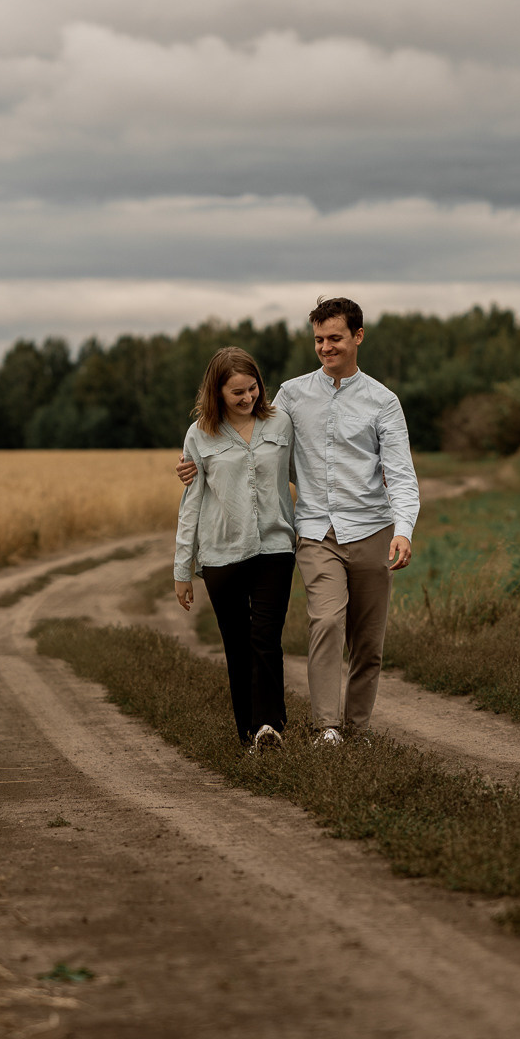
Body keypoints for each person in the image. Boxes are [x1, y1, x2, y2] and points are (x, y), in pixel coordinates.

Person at [179, 297, 418, 746]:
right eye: (319, 340)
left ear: (358, 336)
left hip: (372, 530)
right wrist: (199, 460)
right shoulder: (291, 395)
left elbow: (401, 474)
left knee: (368, 643)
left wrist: (403, 530)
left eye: (335, 338)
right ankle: (327, 727)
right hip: (315, 531)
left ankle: (358, 729)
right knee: (326, 622)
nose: (326, 347)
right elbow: (252, 438)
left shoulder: (383, 402)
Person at [173, 346, 298, 751]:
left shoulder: (280, 423)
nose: (248, 398)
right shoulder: (199, 435)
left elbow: (307, 473)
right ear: (218, 393)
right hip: (221, 554)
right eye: (237, 393)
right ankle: (248, 736)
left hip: (275, 547)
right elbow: (191, 503)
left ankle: (270, 728)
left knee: (266, 638)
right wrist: (182, 569)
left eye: (253, 388)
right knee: (238, 646)